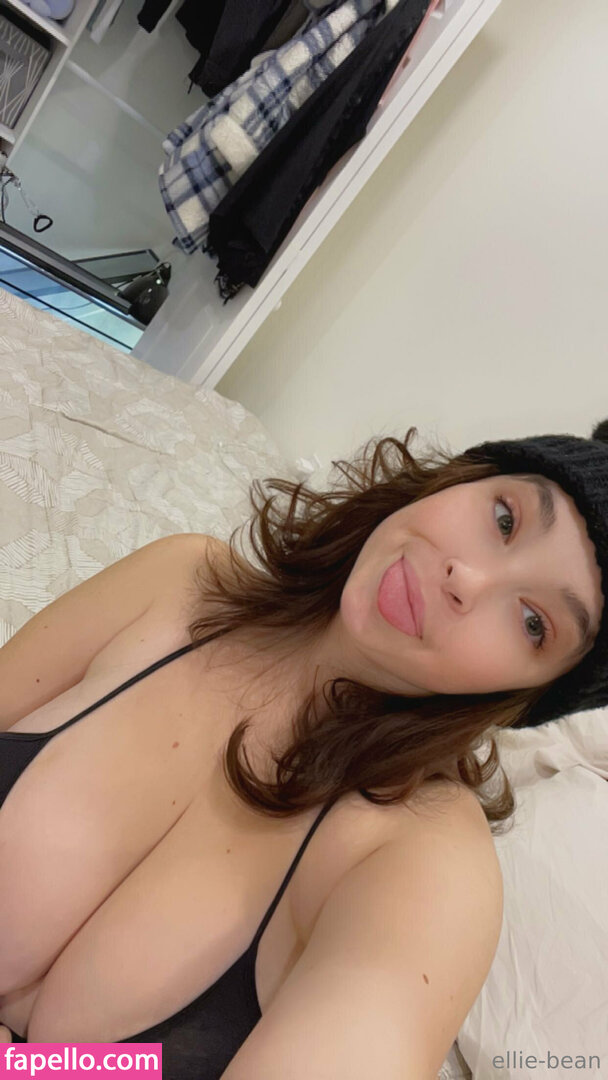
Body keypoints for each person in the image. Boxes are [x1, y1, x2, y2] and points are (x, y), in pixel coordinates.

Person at [1, 420, 607, 1080]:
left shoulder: (426, 863)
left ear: (529, 693)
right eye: (504, 518)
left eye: (533, 623)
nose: (469, 578)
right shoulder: (177, 581)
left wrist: (30, 1067)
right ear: (463, 478)